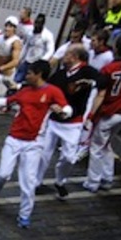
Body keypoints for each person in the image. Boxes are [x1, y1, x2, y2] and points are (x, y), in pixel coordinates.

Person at [0, 60, 71, 228]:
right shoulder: (25, 91)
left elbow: (67, 109)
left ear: (38, 74)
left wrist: (62, 111)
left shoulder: (52, 92)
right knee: (3, 173)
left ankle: (24, 215)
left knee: (28, 181)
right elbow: (5, 102)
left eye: (29, 73)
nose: (26, 76)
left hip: (34, 143)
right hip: (14, 139)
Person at [39, 45, 98, 198]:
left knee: (68, 157)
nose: (63, 57)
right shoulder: (59, 75)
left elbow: (102, 84)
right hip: (53, 121)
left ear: (74, 57)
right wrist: (51, 105)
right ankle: (36, 182)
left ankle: (60, 181)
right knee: (44, 153)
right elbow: (47, 91)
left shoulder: (89, 73)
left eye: (66, 54)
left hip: (73, 123)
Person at [83, 35, 121, 192]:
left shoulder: (109, 69)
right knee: (107, 145)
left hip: (109, 113)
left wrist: (91, 115)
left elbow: (101, 94)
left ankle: (93, 182)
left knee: (96, 147)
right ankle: (107, 178)